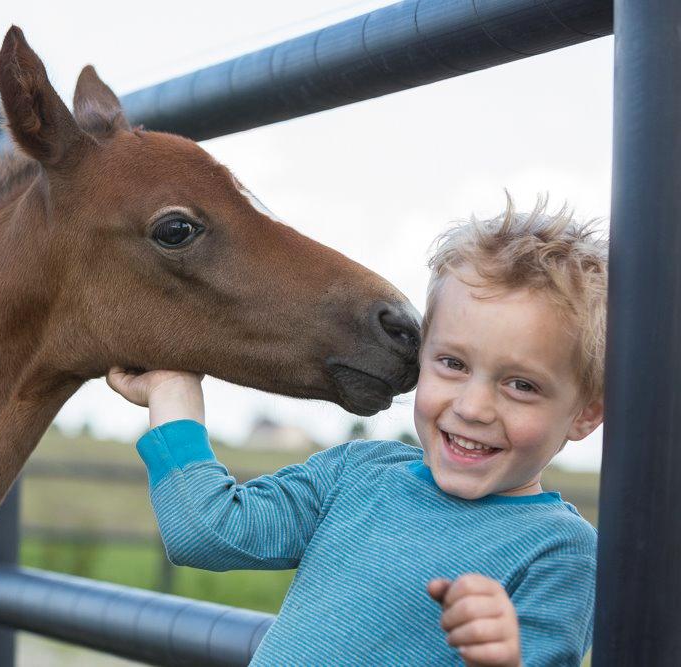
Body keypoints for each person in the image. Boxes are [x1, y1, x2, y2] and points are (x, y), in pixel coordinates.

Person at [107, 200, 607, 666]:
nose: (473, 407)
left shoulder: (560, 551)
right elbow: (207, 533)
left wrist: (501, 660)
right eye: (452, 364)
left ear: (586, 413)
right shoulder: (356, 474)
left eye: (521, 385)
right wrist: (174, 393)